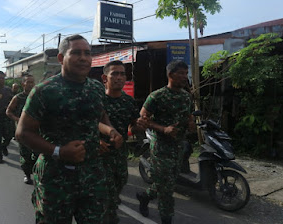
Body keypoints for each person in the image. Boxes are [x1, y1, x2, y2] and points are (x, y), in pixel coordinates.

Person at [15, 34, 123, 223]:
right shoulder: (44, 91)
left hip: (92, 176)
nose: (84, 58)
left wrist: (111, 130)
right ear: (61, 58)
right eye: (76, 53)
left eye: (87, 53)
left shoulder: (96, 88)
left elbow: (100, 114)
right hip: (55, 178)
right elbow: (23, 133)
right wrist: (59, 151)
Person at [136, 60, 196, 224]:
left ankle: (144, 196)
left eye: (186, 73)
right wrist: (163, 129)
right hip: (161, 146)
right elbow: (143, 118)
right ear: (170, 75)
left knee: (167, 182)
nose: (185, 77)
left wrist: (191, 125)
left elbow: (190, 117)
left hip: (179, 147)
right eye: (181, 73)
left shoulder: (186, 97)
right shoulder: (157, 96)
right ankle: (166, 219)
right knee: (167, 190)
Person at [100, 60, 144, 223]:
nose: (119, 77)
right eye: (115, 74)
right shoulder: (97, 100)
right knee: (105, 196)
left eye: (122, 74)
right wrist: (96, 141)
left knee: (120, 183)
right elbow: (85, 125)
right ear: (105, 78)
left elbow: (134, 125)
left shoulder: (128, 101)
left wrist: (139, 125)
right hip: (98, 156)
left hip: (119, 155)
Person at [6, 74, 36, 183]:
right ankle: (27, 174)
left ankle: (36, 173)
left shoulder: (38, 96)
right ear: (23, 83)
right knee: (25, 154)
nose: (31, 84)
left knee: (37, 154)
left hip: (36, 130)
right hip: (23, 131)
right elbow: (8, 111)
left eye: (32, 82)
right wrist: (17, 119)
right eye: (28, 82)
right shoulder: (18, 98)